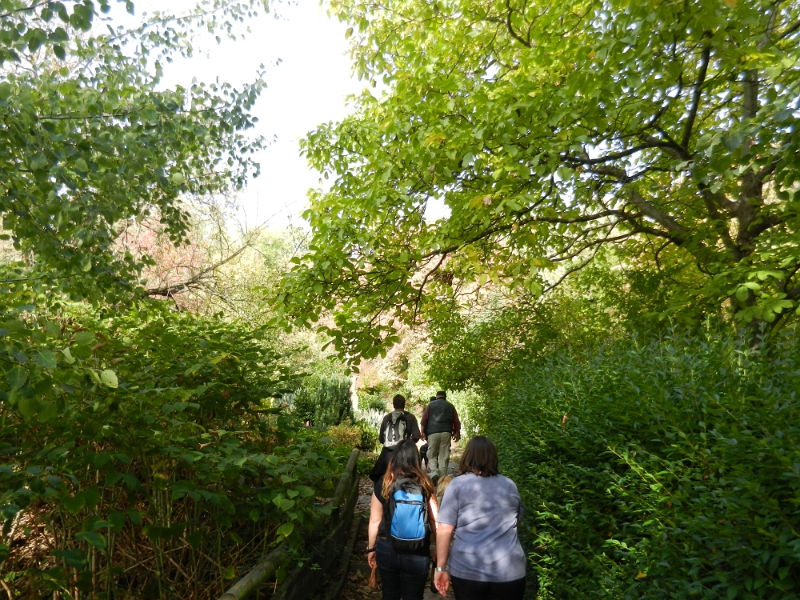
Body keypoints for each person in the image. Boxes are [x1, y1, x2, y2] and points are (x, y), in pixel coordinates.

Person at [433, 436, 527, 600]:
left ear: (467, 457)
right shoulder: (510, 485)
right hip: (510, 570)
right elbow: (516, 522)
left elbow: (444, 529)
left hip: (468, 569)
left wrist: (441, 568)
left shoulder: (457, 485)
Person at [367, 440, 439, 600]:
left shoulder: (384, 483)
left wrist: (371, 549)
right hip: (418, 552)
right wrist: (439, 551)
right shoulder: (425, 484)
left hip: (387, 548)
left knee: (390, 595)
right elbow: (435, 522)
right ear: (416, 459)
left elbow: (374, 520)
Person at [369, 394, 422, 482]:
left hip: (387, 455)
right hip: (403, 453)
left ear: (393, 405)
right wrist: (407, 444)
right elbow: (416, 436)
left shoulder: (386, 418)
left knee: (380, 477)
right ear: (404, 405)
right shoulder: (410, 417)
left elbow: (381, 439)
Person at [420, 391, 461, 483]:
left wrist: (422, 431)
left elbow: (424, 419)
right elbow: (456, 421)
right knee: (444, 456)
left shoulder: (431, 405)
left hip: (433, 433)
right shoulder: (450, 406)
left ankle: (434, 472)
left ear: (437, 396)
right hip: (446, 433)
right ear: (445, 397)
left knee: (431, 454)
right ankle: (442, 479)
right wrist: (457, 433)